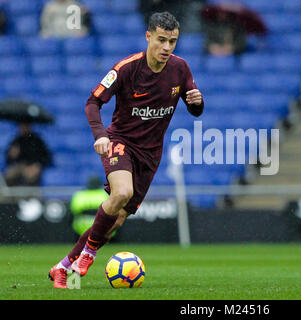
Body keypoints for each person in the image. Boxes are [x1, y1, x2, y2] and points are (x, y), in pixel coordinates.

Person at [48, 12, 204, 288]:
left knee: (116, 220)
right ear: (148, 37)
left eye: (173, 41)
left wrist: (197, 102)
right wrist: (100, 136)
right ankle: (88, 254)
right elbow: (92, 102)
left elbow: (195, 110)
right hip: (120, 142)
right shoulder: (127, 68)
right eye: (161, 40)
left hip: (150, 154)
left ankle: (62, 267)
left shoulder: (180, 68)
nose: (167, 47)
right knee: (122, 192)